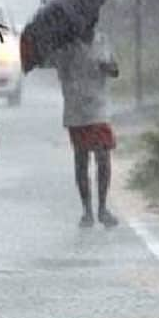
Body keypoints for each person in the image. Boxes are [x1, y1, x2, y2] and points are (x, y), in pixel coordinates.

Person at [48, 22, 120, 227]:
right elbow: (58, 69)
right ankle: (87, 210)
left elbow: (115, 69)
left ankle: (102, 208)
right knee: (81, 160)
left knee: (103, 157)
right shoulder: (66, 46)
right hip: (76, 110)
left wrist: (107, 67)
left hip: (99, 108)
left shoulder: (102, 40)